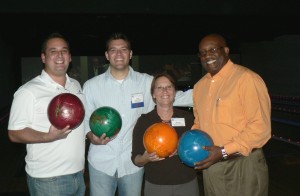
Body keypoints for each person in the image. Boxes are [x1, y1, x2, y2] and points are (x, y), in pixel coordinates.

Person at [83, 32, 193, 196]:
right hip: (101, 161)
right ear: (107, 55)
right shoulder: (91, 86)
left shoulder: (146, 82)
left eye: (124, 49)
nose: (119, 54)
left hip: (132, 164)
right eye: (113, 50)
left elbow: (173, 96)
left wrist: (212, 94)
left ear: (131, 54)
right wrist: (91, 136)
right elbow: (86, 119)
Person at [192, 33, 271, 196]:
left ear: (226, 51)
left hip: (243, 164)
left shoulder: (246, 79)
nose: (208, 56)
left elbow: (260, 128)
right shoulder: (200, 87)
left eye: (213, 49)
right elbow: (200, 123)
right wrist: (189, 143)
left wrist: (223, 151)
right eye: (203, 53)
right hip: (212, 166)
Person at [7, 33, 86, 196]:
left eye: (64, 51)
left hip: (78, 174)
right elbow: (14, 133)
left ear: (70, 57)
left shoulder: (76, 85)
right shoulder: (28, 91)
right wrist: (47, 137)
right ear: (43, 57)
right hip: (48, 179)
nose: (59, 55)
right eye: (53, 51)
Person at [131, 73, 199, 196]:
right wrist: (145, 158)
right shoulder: (144, 121)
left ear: (174, 92)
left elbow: (197, 148)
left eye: (169, 87)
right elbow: (135, 158)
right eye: (159, 87)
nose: (165, 91)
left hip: (186, 182)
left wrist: (184, 151)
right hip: (156, 185)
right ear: (153, 94)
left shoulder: (188, 118)